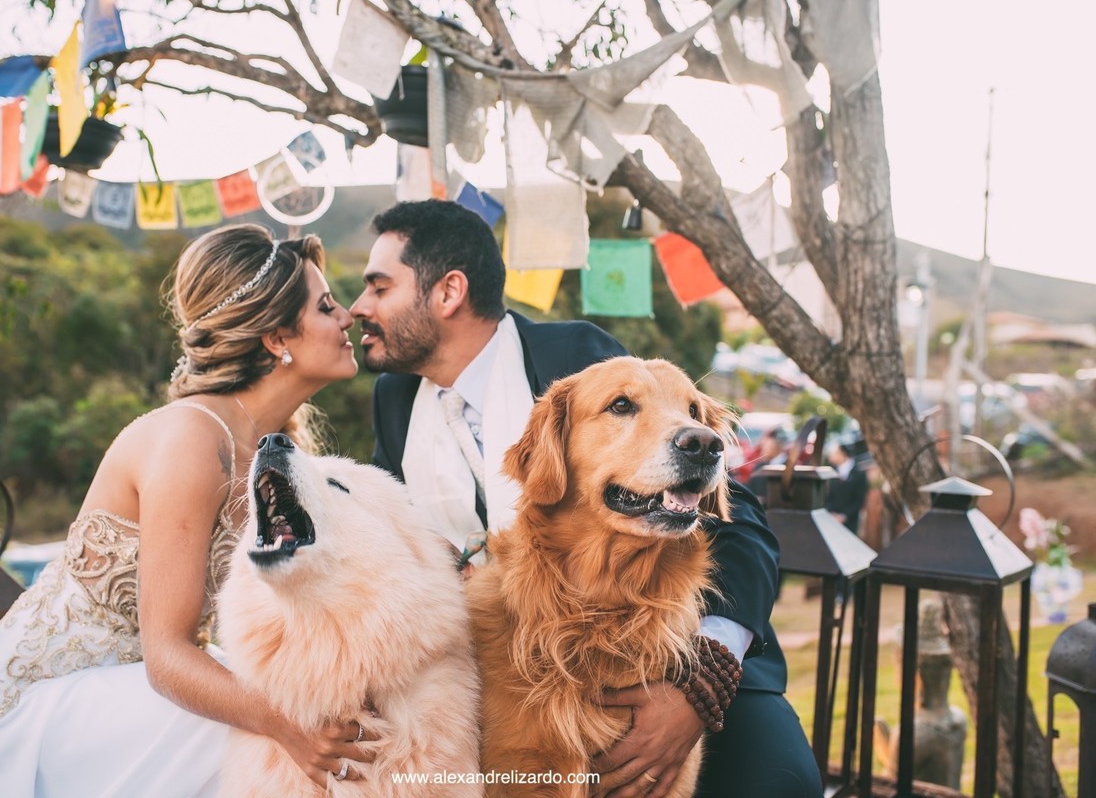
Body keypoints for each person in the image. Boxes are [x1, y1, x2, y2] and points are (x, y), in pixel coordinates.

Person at [349, 199, 820, 798]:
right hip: (505, 659)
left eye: (379, 287)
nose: (359, 307)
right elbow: (400, 540)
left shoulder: (574, 357)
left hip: (671, 649)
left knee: (783, 784)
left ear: (448, 293)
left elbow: (740, 518)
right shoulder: (394, 398)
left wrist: (701, 681)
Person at [0, 225, 375, 797]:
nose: (347, 318)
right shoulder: (192, 439)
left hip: (140, 692)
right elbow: (167, 656)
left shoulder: (271, 451)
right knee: (262, 736)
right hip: (51, 705)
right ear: (277, 337)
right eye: (327, 306)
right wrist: (291, 725)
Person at [825, 440, 869, 533]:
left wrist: (844, 516)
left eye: (834, 453)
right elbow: (829, 496)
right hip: (832, 520)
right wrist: (831, 513)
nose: (830, 457)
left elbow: (859, 499)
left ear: (842, 453)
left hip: (850, 522)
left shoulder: (859, 473)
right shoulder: (832, 472)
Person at [745, 426, 789, 504]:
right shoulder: (760, 466)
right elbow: (750, 486)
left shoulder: (789, 467)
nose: (763, 447)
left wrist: (765, 500)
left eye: (767, 444)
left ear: (778, 444)